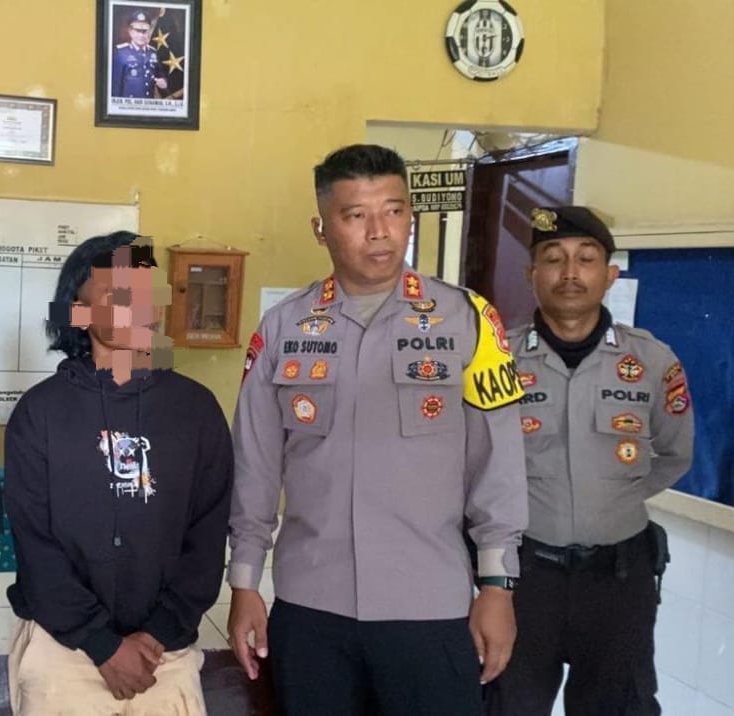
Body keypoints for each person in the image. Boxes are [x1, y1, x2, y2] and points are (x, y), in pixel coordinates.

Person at [226, 144, 529, 715]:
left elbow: (499, 465)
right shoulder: (284, 327)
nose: (379, 232)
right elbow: (255, 466)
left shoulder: (469, 320)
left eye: (394, 210)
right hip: (311, 604)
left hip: (430, 604)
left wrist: (497, 585)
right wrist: (244, 582)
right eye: (356, 215)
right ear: (321, 228)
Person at [4, 232, 233, 715]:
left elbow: (207, 536)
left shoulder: (197, 410)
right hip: (63, 652)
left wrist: (157, 633)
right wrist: (101, 644)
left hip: (162, 656)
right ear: (79, 311)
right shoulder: (40, 413)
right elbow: (35, 544)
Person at [484, 207, 695, 716]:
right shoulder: (496, 360)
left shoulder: (652, 361)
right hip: (523, 578)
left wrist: (608, 498)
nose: (570, 273)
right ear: (531, 274)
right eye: (553, 258)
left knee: (619, 707)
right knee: (506, 705)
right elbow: (474, 466)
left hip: (619, 580)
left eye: (586, 258)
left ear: (610, 274)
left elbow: (674, 455)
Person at [110, 12, 167, 99]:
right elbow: (115, 87)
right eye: (137, 31)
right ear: (130, 32)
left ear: (149, 32)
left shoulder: (153, 52)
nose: (141, 35)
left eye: (144, 31)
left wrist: (164, 81)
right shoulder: (120, 53)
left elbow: (160, 75)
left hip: (148, 104)